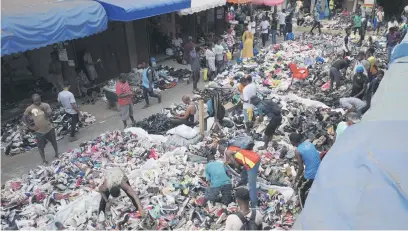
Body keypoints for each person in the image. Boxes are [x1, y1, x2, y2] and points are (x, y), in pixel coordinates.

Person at [23, 94, 58, 164]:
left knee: (54, 142)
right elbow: (24, 118)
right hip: (39, 131)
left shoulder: (45, 105)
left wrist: (44, 111)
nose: (37, 102)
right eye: (35, 101)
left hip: (49, 128)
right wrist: (30, 126)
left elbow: (50, 115)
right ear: (33, 101)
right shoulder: (30, 108)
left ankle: (57, 153)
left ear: (40, 99)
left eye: (38, 100)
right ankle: (44, 160)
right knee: (40, 147)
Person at [289, 133, 321, 207]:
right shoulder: (309, 143)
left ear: (292, 142)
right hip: (320, 169)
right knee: (300, 184)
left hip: (312, 174)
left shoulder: (298, 151)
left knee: (300, 189)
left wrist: (296, 178)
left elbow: (301, 168)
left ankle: (303, 209)